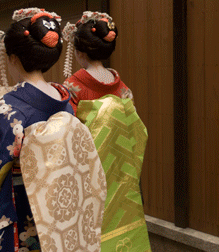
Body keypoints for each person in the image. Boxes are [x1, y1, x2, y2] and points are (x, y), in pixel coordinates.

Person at [0, 8, 105, 252]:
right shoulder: (65, 99)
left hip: (21, 204)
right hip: (55, 205)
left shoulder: (8, 108)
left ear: (13, 58)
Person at [62, 11, 151, 252]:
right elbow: (136, 131)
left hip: (89, 176)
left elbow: (68, 134)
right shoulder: (122, 88)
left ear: (79, 53)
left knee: (90, 235)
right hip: (122, 172)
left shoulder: (73, 87)